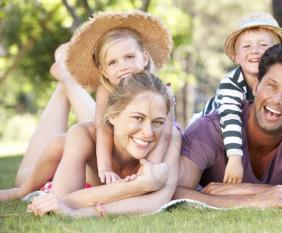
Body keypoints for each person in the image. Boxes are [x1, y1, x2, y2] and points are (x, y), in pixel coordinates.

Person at [0, 10, 173, 201]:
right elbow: (102, 128)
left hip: (114, 155)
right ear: (103, 71)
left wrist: (148, 169)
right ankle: (65, 71)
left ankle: (65, 71)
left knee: (70, 134)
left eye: (130, 57)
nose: (123, 66)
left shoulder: (155, 91)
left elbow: (164, 135)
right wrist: (105, 167)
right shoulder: (105, 90)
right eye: (113, 62)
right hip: (83, 156)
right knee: (63, 142)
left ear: (145, 58)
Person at [175, 44, 282, 208]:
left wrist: (243, 190)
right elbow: (175, 193)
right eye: (271, 86)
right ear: (256, 87)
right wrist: (252, 202)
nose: (277, 100)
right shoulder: (209, 128)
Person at [189, 12, 282, 184]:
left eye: (263, 45)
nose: (255, 51)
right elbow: (230, 119)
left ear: (276, 53)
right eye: (246, 46)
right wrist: (235, 159)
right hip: (215, 130)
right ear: (236, 56)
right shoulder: (230, 84)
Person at [26, 72, 181, 217]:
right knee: (37, 166)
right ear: (113, 116)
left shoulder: (170, 137)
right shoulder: (83, 135)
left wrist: (84, 214)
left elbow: (158, 200)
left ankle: (67, 78)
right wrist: (137, 186)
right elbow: (61, 198)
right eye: (138, 118)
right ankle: (65, 75)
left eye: (158, 122)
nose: (148, 132)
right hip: (50, 167)